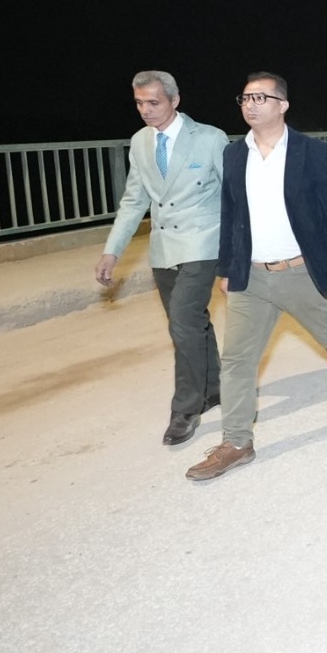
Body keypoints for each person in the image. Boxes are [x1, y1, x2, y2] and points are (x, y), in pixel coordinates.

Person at [185, 72, 327, 481]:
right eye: (245, 98)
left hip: (300, 271)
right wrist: (227, 268)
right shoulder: (235, 155)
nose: (250, 104)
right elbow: (230, 215)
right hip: (251, 277)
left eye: (260, 98)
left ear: (282, 105)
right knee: (237, 360)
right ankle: (237, 442)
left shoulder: (314, 153)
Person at [95, 71, 228, 446]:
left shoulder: (210, 138)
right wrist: (112, 250)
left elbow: (234, 195)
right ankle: (213, 388)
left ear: (175, 100)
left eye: (153, 102)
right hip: (164, 247)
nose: (145, 110)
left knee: (183, 322)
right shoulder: (140, 142)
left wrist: (238, 252)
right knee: (192, 322)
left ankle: (185, 409)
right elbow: (134, 200)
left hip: (203, 241)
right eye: (139, 103)